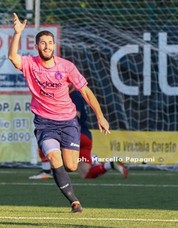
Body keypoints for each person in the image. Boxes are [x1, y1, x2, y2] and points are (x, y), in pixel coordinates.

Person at [8, 13, 110, 213]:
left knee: (72, 166)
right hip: (45, 123)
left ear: (54, 46)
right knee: (55, 159)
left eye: (50, 42)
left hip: (69, 122)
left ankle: (92, 161)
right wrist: (18, 33)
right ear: (37, 47)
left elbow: (86, 92)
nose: (46, 46)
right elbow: (13, 57)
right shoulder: (30, 64)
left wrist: (100, 116)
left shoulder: (66, 67)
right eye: (43, 43)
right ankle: (74, 202)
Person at [29, 85, 128, 180]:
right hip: (85, 138)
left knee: (46, 139)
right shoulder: (73, 95)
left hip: (76, 135)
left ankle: (46, 172)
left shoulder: (74, 96)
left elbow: (76, 117)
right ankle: (109, 164)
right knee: (86, 173)